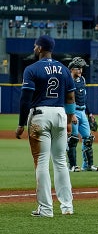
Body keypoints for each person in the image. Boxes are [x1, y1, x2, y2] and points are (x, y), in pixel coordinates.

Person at [15, 35, 75, 217]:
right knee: (61, 162)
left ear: (40, 48)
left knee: (41, 163)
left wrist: (20, 124)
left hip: (40, 115)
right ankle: (67, 207)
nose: (34, 49)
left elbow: (25, 98)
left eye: (35, 46)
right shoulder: (64, 69)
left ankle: (46, 209)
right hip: (60, 115)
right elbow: (71, 98)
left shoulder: (31, 69)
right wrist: (70, 120)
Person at [67, 57, 98, 172]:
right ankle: (72, 166)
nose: (80, 70)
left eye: (81, 68)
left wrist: (90, 113)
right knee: (73, 138)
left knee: (88, 138)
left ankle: (88, 165)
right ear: (72, 69)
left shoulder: (82, 80)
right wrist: (71, 115)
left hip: (82, 111)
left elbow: (84, 98)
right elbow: (66, 99)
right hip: (73, 112)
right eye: (78, 68)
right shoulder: (67, 81)